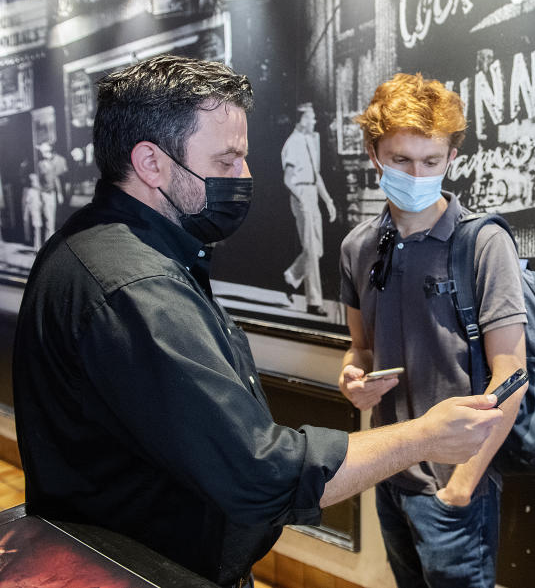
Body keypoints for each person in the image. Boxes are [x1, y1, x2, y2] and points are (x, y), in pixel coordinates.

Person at [13, 55, 506, 588]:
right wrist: (421, 437)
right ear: (151, 163)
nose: (245, 177)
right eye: (227, 161)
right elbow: (260, 472)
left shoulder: (95, 248)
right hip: (147, 566)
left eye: (431, 160)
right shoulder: (135, 288)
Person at [338, 72, 527, 588]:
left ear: (451, 160)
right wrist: (352, 379)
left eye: (431, 162)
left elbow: (512, 373)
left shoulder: (483, 244)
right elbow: (360, 349)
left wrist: (462, 485)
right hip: (386, 471)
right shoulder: (358, 247)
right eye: (401, 160)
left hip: (455, 485)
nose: (416, 174)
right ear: (374, 154)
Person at [281, 102, 337, 316]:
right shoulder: (292, 144)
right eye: (311, 117)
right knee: (312, 250)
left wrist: (328, 200)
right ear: (302, 119)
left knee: (318, 249)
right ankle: (314, 302)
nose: (314, 121)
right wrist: (301, 199)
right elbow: (288, 180)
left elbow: (317, 176)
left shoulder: (311, 142)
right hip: (301, 194)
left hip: (312, 193)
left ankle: (291, 277)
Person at [35, 140, 67, 242]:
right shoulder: (40, 165)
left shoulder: (51, 164)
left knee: (50, 220)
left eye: (47, 152)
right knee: (48, 220)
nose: (47, 154)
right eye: (45, 152)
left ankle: (49, 243)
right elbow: (38, 181)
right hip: (44, 194)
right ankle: (49, 244)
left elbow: (55, 179)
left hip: (51, 194)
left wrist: (60, 194)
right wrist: (39, 196)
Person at [21, 173, 42, 251]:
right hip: (34, 212)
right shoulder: (30, 192)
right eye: (33, 181)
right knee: (36, 229)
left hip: (37, 211)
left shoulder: (37, 191)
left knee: (38, 229)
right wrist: (25, 215)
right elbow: (27, 204)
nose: (35, 183)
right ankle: (37, 247)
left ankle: (37, 246)